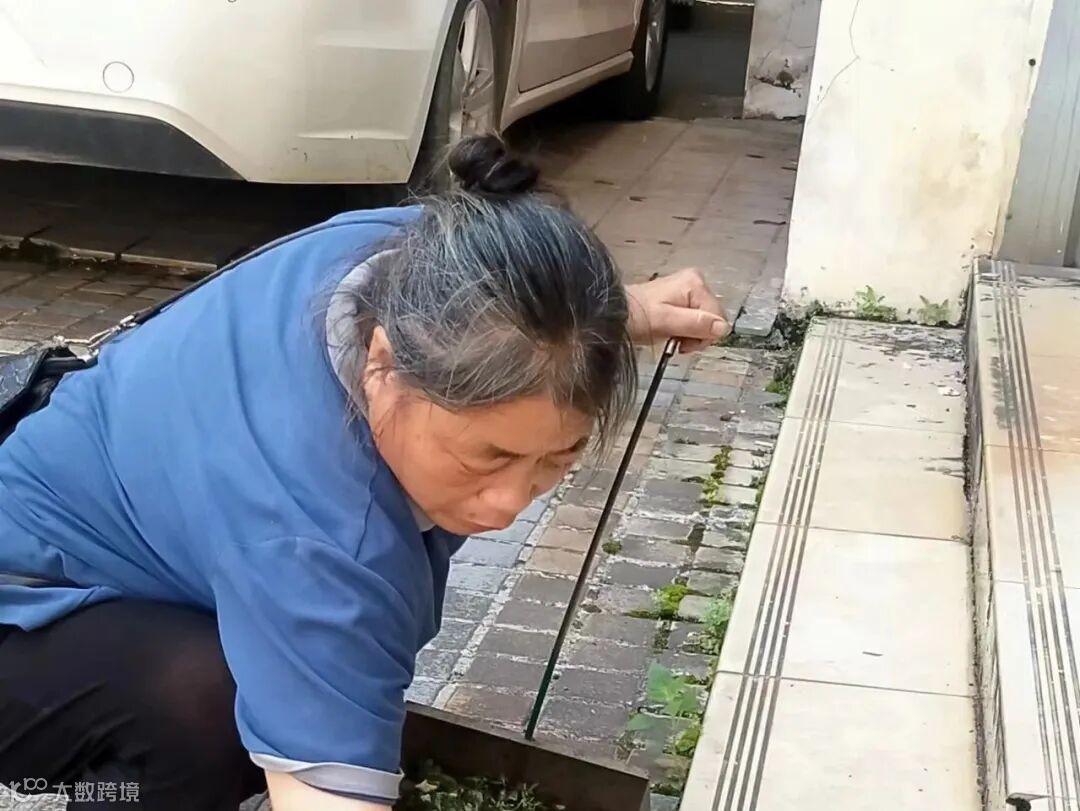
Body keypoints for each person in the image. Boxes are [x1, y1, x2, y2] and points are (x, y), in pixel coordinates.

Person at [0, 136, 729, 810]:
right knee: (215, 705)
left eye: (556, 459)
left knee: (269, 689)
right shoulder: (322, 537)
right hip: (23, 609)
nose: (510, 504)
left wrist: (614, 312)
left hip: (96, 551)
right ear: (382, 363)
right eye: (488, 457)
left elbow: (521, 316)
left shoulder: (409, 258)